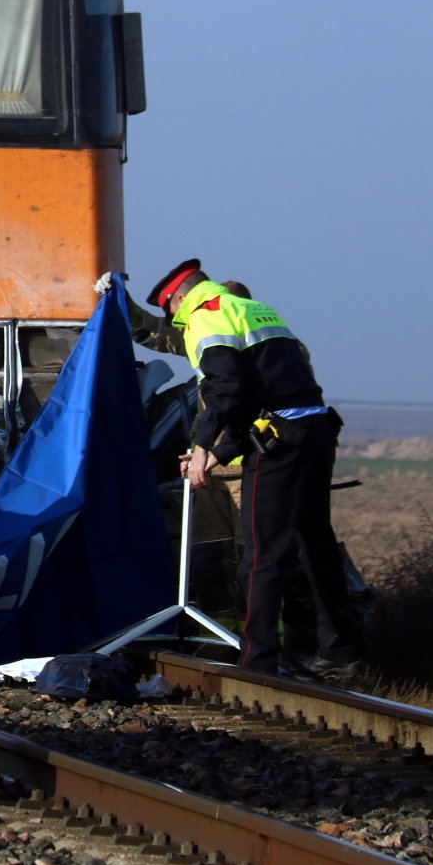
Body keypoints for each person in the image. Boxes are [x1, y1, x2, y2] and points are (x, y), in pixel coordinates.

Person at [146, 259, 364, 679]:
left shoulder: (205, 316)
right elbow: (262, 398)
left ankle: (257, 664)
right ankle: (341, 653)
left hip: (279, 447)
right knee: (314, 546)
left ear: (177, 299)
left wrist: (201, 444)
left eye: (170, 313)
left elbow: (226, 388)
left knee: (262, 555)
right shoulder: (253, 309)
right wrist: (217, 455)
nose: (174, 323)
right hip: (313, 434)